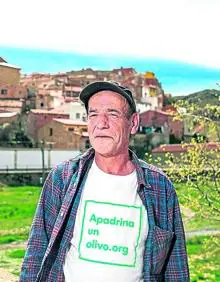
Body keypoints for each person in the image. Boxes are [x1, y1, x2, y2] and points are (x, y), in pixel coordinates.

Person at [20, 81, 189, 281]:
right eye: (93, 114)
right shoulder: (63, 178)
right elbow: (36, 252)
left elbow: (175, 267)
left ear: (133, 123)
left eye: (112, 114)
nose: (101, 123)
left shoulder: (160, 187)